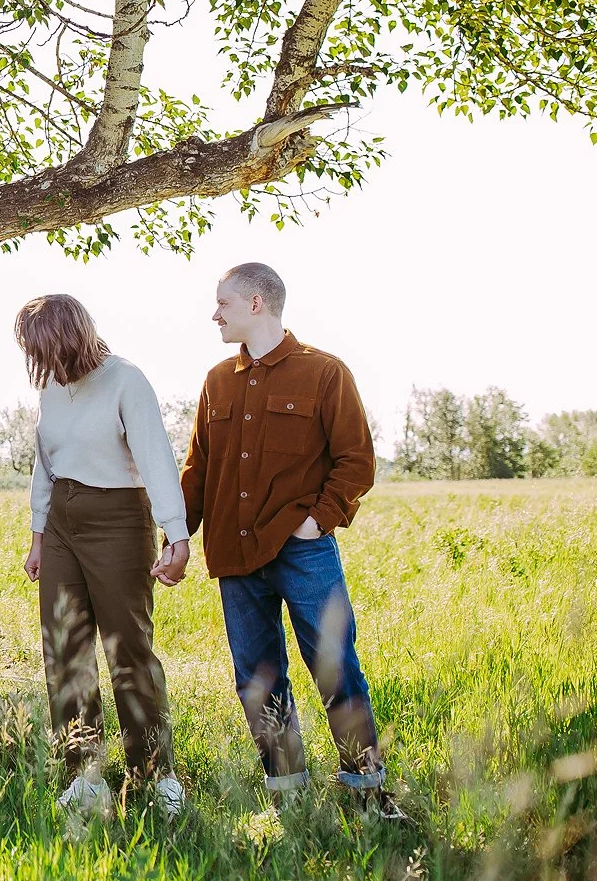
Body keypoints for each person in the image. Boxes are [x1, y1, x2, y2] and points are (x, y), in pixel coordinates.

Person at [180, 262, 401, 818]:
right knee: (257, 676)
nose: (215, 315)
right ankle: (288, 795)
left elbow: (356, 462)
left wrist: (317, 521)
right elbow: (198, 469)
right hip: (234, 555)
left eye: (223, 304)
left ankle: (367, 792)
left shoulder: (325, 373)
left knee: (335, 666)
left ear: (257, 304)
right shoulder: (215, 381)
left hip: (303, 550)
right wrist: (176, 535)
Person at [13, 294, 187, 818]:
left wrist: (174, 532)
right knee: (64, 646)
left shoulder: (125, 380)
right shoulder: (50, 386)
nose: (39, 361)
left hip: (118, 516)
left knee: (127, 648)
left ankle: (155, 774)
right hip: (62, 520)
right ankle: (84, 774)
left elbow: (156, 455)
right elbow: (44, 463)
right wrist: (39, 533)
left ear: (72, 337)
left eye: (44, 348)